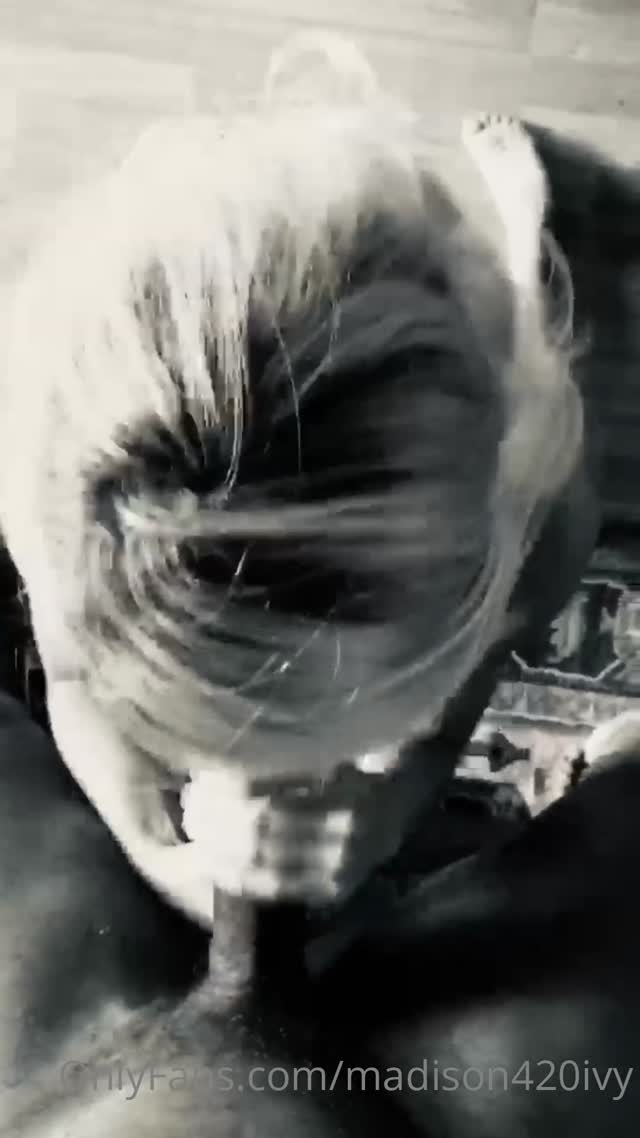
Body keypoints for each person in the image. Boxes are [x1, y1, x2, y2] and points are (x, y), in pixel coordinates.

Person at [0, 37, 596, 930]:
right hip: (422, 363)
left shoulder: (522, 521)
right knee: (496, 336)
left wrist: (395, 797)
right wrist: (164, 855)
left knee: (518, 351)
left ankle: (519, 246)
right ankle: (506, 258)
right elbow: (74, 679)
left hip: (446, 392)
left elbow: (479, 659)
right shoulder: (68, 508)